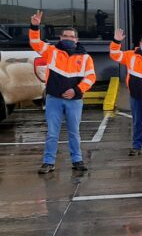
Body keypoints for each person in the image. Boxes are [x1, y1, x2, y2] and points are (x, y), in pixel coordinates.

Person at [30, 10, 96, 174]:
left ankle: (77, 160)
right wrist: (34, 26)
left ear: (76, 40)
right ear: (60, 38)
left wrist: (76, 90)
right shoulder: (51, 51)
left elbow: (91, 77)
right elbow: (35, 42)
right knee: (52, 133)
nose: (68, 38)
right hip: (54, 99)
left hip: (75, 100)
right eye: (65, 36)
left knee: (74, 133)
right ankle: (48, 162)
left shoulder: (85, 58)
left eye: (71, 37)